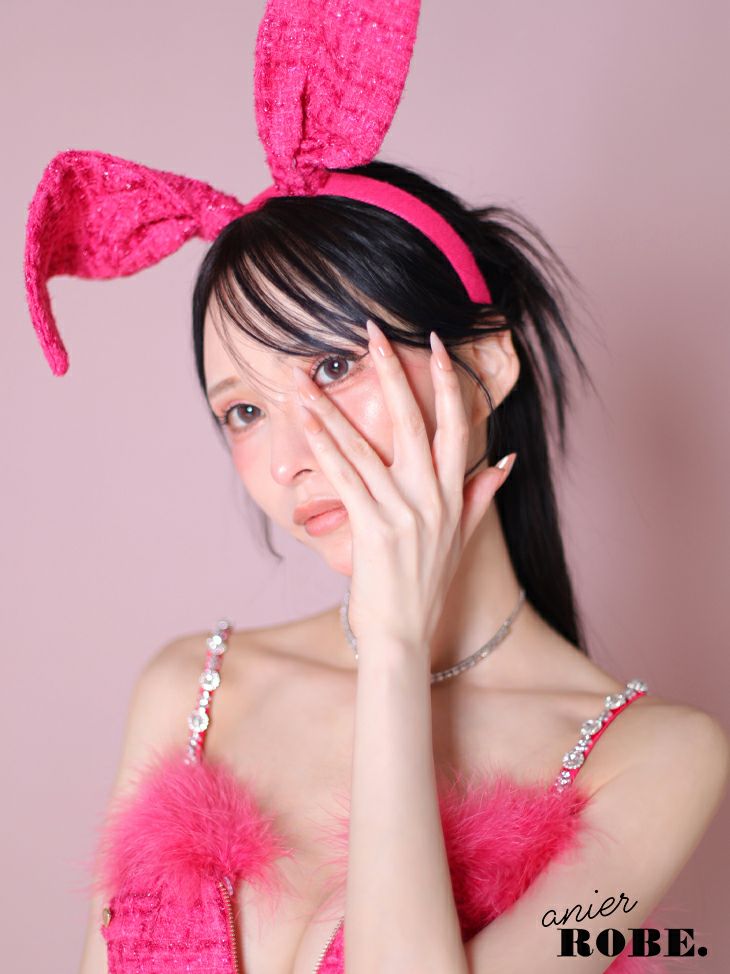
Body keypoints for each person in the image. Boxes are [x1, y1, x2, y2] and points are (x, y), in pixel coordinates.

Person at [23, 3, 727, 972]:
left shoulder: (656, 761)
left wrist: (394, 647)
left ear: (483, 367)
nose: (290, 458)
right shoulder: (188, 690)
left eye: (331, 366)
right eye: (243, 410)